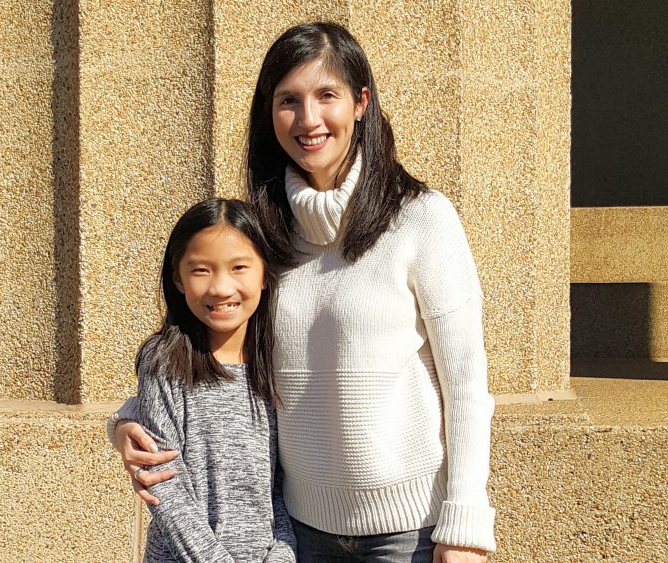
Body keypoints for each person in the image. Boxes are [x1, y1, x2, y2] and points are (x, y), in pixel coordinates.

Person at [109, 22, 496, 562]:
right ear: (269, 113)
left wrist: (465, 525)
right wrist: (127, 421)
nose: (309, 119)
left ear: (361, 103)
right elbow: (217, 350)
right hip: (300, 534)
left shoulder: (422, 219)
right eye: (289, 100)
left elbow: (467, 383)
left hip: (410, 535)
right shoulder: (264, 233)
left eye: (327, 95)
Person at [124, 197, 296, 562]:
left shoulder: (278, 364)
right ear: (178, 277)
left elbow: (282, 485)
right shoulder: (164, 362)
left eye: (239, 267)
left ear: (264, 273)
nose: (220, 287)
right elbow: (163, 483)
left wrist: (283, 552)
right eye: (201, 270)